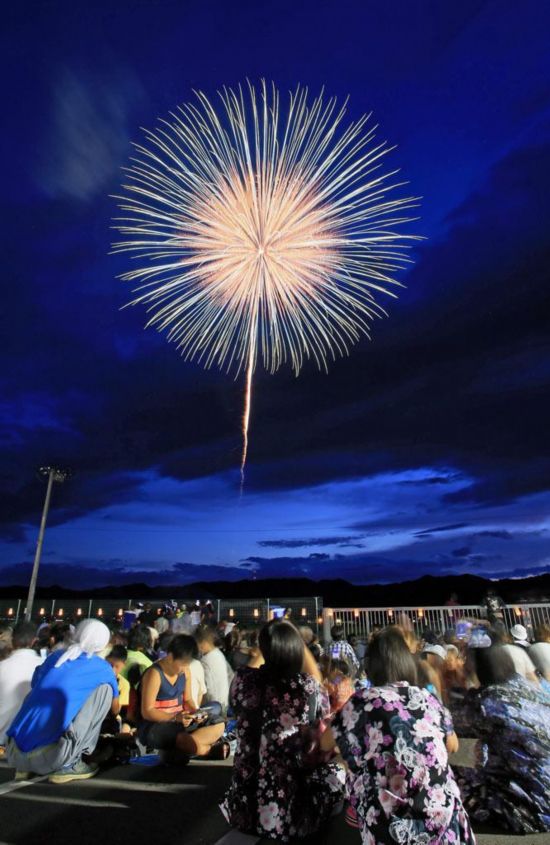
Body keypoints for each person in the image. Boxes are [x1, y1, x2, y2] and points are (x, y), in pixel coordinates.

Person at [321, 627, 475, 844]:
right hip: (443, 816)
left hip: (390, 824)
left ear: (371, 665)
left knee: (355, 771)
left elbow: (326, 742)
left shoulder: (362, 700)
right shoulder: (427, 698)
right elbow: (453, 745)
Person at [220, 619, 345, 840]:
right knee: (339, 769)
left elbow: (254, 665)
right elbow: (317, 686)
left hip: (244, 811)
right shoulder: (308, 688)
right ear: (297, 648)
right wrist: (296, 639)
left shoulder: (242, 680)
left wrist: (269, 640)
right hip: (290, 817)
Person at [5, 619, 119, 783]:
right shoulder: (103, 668)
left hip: (14, 754)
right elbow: (115, 708)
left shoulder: (56, 657)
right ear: (103, 643)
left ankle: (26, 768)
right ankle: (71, 764)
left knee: (39, 690)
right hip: (53, 757)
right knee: (104, 690)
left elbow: (34, 683)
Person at [454, 646, 550, 834]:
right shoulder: (534, 690)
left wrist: (463, 682)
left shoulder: (485, 701)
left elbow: (449, 731)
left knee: (455, 763)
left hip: (532, 813)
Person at [138, 634, 225, 758]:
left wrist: (196, 712)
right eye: (182, 663)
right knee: (181, 738)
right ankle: (206, 751)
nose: (185, 668)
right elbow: (147, 711)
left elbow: (188, 699)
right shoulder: (154, 674)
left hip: (181, 723)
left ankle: (184, 750)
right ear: (170, 656)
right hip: (156, 725)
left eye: (187, 663)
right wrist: (174, 718)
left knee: (219, 724)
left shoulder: (185, 671)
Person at [0, 622, 44, 747]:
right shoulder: (45, 666)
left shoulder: (2, 666)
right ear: (34, 641)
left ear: (12, 640)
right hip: (29, 743)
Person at [195, 627, 232, 712]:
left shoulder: (206, 661)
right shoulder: (219, 654)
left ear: (203, 643)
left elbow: (208, 689)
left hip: (213, 707)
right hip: (224, 703)